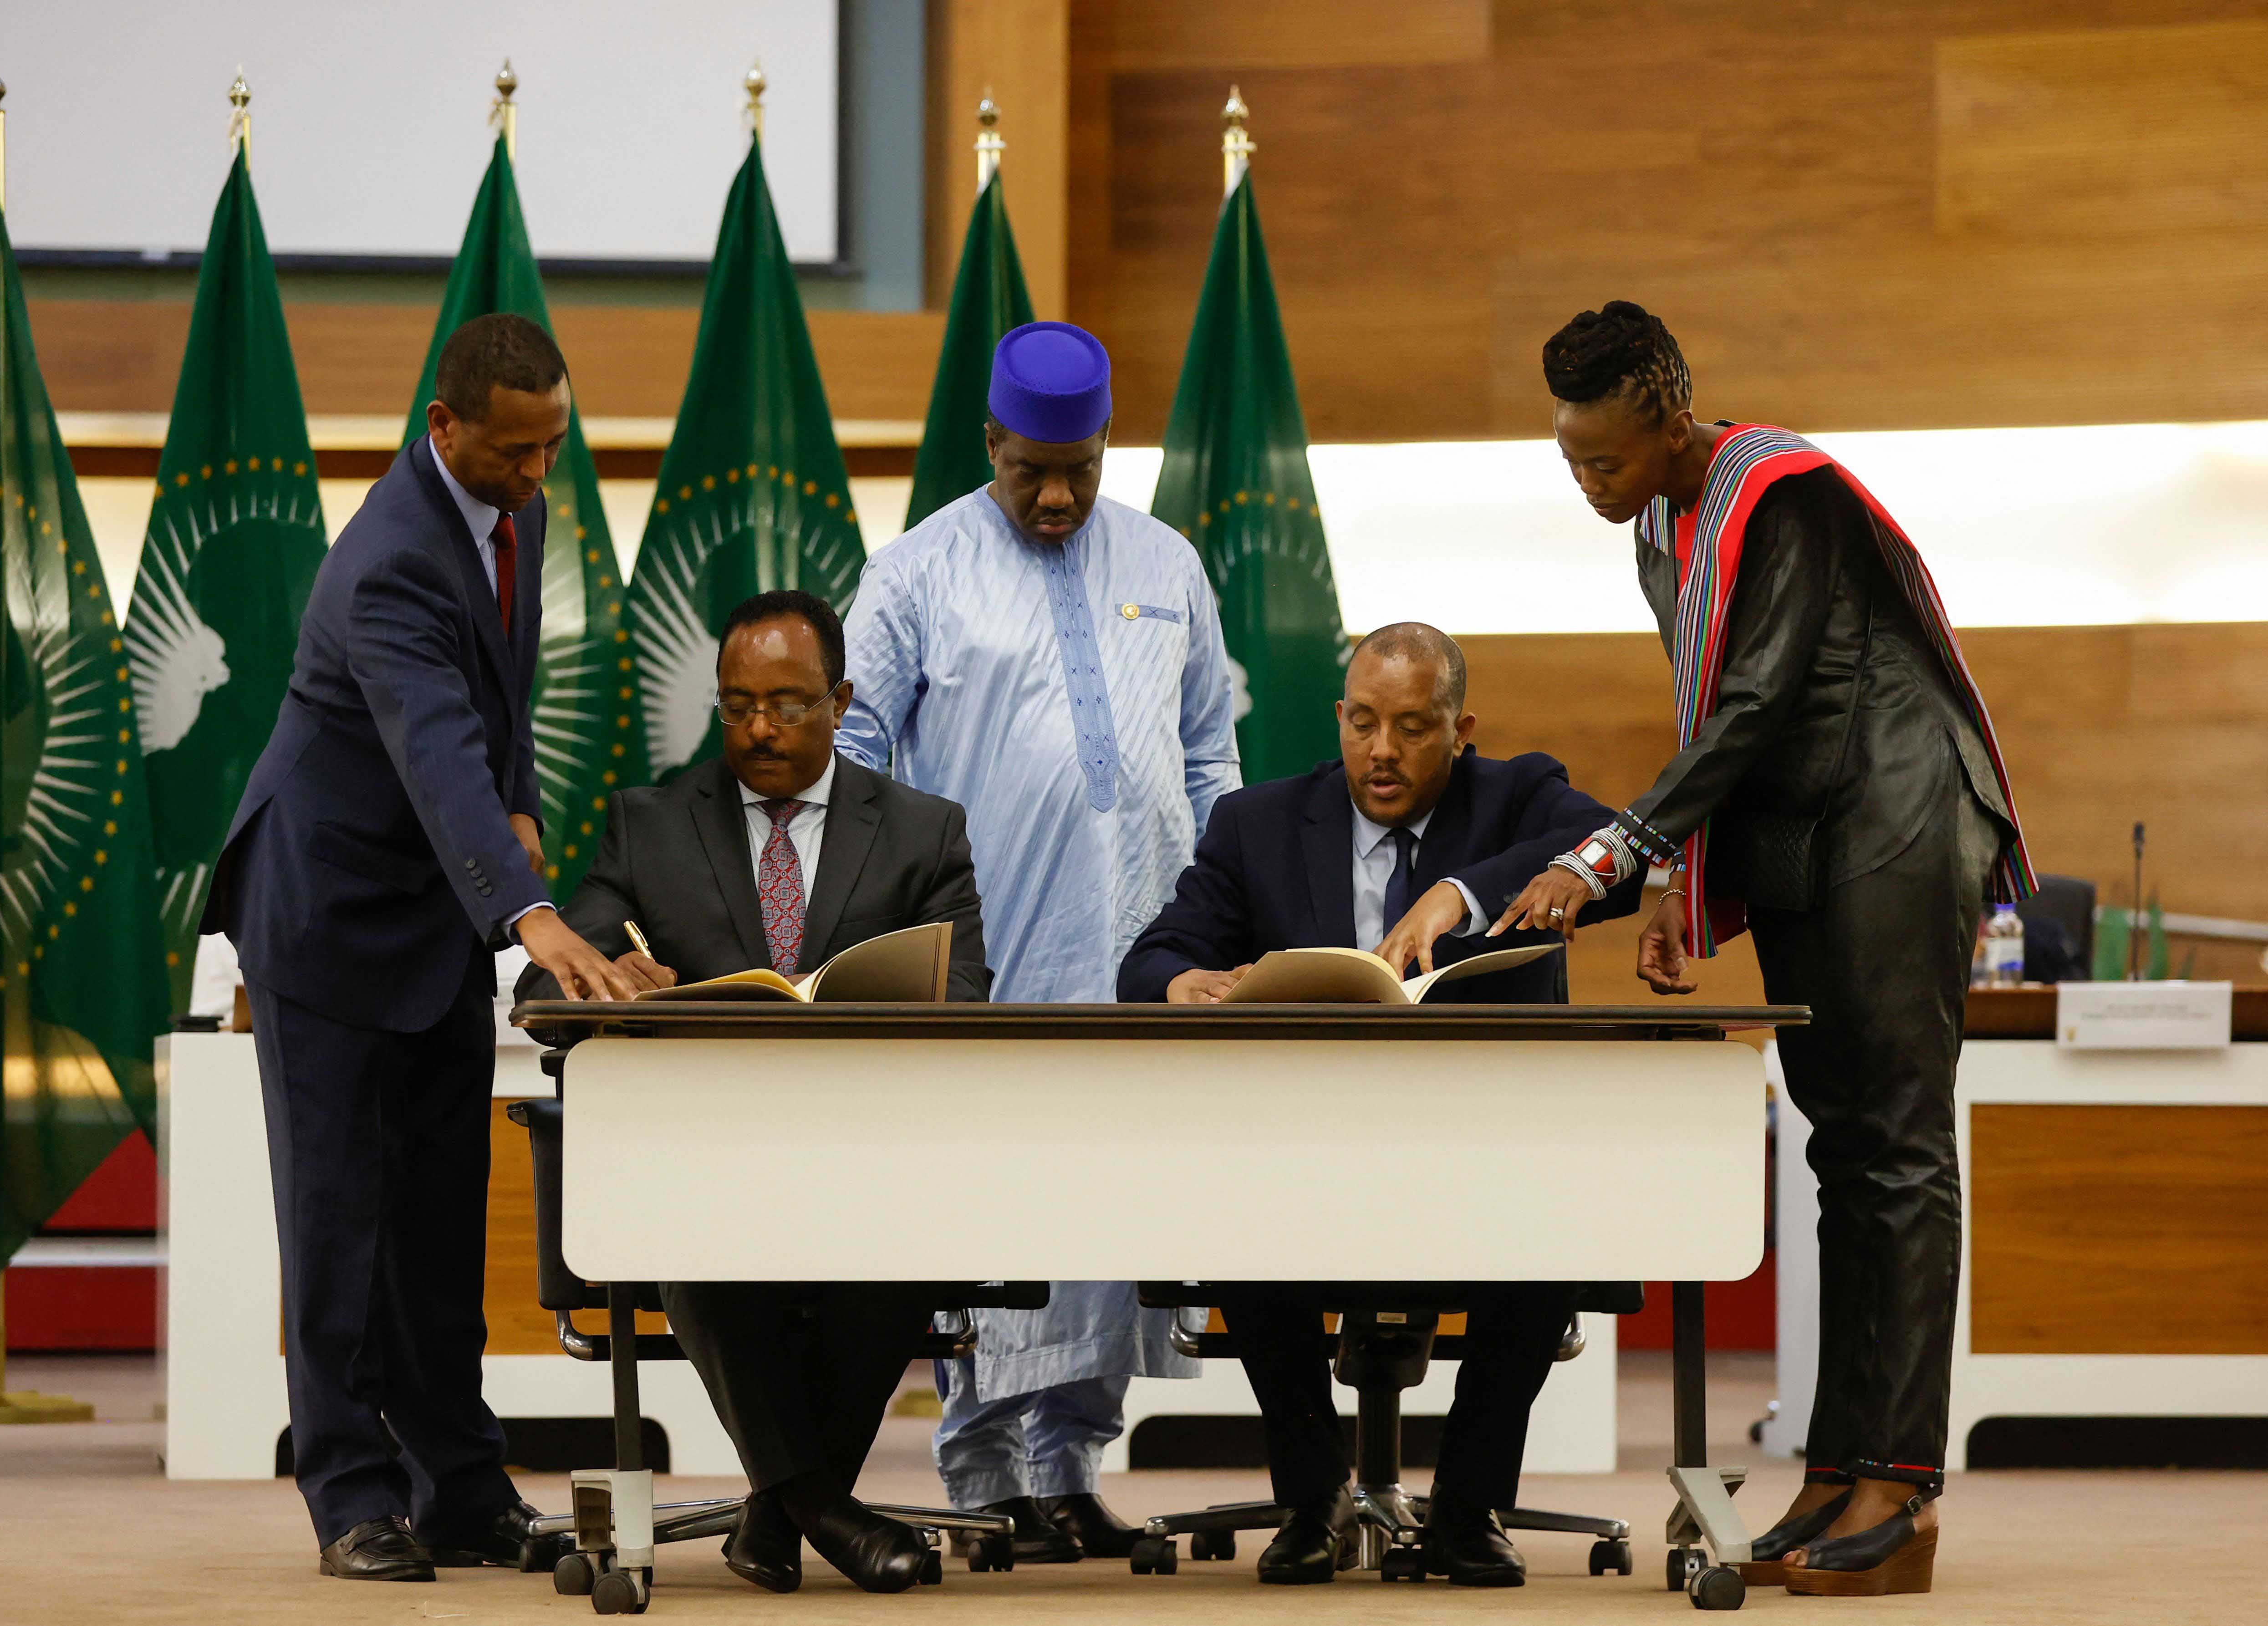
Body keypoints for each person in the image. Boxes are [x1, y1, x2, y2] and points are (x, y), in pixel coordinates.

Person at [1394, 301, 2030, 1599]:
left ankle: (1898, 1489)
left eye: (1607, 460)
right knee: (1842, 1152)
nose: (1589, 484)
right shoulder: (1662, 531)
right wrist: (1683, 868)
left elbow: (1754, 704)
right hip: (1804, 836)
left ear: (1671, 421)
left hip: (1896, 813)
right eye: (1569, 461)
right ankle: (1840, 1460)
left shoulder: (1778, 492)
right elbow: (1718, 718)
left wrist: (1606, 859)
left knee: (1897, 1146)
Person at [205, 314, 640, 1582]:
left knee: (443, 1219)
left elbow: (499, 705)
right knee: (338, 1223)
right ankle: (349, 1492)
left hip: (436, 907)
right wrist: (531, 912)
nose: (536, 474)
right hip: (327, 911)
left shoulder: (521, 509)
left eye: (553, 445)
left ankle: (460, 1486)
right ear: (440, 428)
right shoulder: (387, 557)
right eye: (513, 452)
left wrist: (524, 812)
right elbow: (431, 744)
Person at [1118, 622, 1641, 1585]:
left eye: (1411, 726)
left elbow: (1618, 848)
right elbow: (1150, 956)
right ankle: (1312, 1500)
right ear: (1340, 719)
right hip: (1310, 1158)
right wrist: (1177, 983)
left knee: (1549, 1219)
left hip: (1484, 1163)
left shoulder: (1519, 795)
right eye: (1363, 723)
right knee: (1246, 1211)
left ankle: (1469, 1508)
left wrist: (1462, 892)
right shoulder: (1261, 823)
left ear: (1459, 728)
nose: (1383, 751)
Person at [838, 320, 1240, 1560]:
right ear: (990, 445)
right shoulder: (914, 573)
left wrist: (1221, 913)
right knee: (995, 1205)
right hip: (992, 954)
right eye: (1031, 472)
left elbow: (1210, 750)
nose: (1058, 495)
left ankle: (1066, 1463)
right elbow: (852, 766)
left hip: (1148, 953)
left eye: (1082, 466)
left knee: (1115, 1208)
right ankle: (977, 1471)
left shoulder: (1167, 562)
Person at [517, 589, 989, 1594]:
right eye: (737, 706)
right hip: (705, 1155)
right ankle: (822, 1507)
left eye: (787, 704)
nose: (761, 729)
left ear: (843, 700)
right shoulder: (649, 825)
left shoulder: (921, 831)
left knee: (908, 1234)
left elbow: (964, 996)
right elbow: (546, 975)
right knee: (685, 1225)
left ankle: (783, 1508)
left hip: (866, 1152)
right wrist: (604, 972)